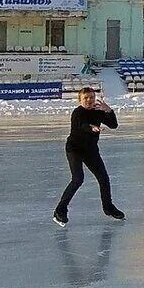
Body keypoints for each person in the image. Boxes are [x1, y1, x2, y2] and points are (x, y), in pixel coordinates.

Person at [54, 87, 124, 226]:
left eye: (91, 97)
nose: (89, 100)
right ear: (80, 100)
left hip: (90, 150)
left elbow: (113, 125)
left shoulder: (98, 111)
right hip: (74, 149)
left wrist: (108, 111)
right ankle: (60, 210)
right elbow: (81, 126)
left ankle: (108, 207)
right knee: (77, 179)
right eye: (86, 98)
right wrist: (91, 127)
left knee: (103, 178)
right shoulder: (77, 113)